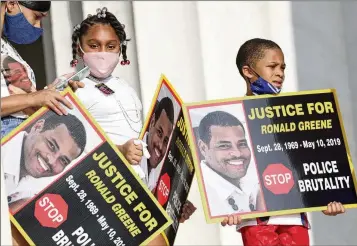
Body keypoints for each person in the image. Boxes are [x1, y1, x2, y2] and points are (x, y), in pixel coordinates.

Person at [70, 8, 196, 245]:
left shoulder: (125, 87)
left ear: (120, 49)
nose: (102, 53)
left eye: (110, 46)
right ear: (80, 47)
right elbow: (71, 146)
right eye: (94, 45)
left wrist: (172, 199)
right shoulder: (73, 88)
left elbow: (143, 149)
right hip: (105, 188)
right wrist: (118, 150)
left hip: (138, 187)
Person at [221, 38, 345, 246]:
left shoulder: (297, 116)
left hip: (295, 216)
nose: (280, 73)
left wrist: (328, 197)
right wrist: (226, 208)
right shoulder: (231, 118)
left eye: (283, 67)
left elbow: (311, 161)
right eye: (272, 66)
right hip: (256, 220)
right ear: (248, 71)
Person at [1, 1, 84, 138]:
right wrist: (33, 98)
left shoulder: (8, 48)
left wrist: (52, 93)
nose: (38, 26)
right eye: (37, 16)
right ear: (11, 4)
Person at [2, 110, 87, 204]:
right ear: (37, 127)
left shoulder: (31, 193)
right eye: (52, 146)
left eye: (63, 160)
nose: (51, 161)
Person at [198, 110, 264, 217]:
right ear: (203, 148)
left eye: (242, 144)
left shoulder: (256, 182)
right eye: (224, 146)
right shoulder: (199, 193)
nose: (237, 153)